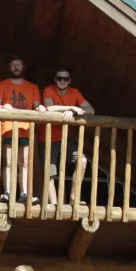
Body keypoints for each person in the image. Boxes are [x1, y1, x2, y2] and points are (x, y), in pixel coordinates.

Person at [0, 55, 44, 206]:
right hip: (7, 128)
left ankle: (24, 192)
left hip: (26, 128)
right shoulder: (2, 85)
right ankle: (7, 191)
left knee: (24, 162)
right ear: (9, 68)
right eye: (13, 64)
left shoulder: (32, 87)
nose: (16, 67)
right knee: (7, 161)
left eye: (18, 64)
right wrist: (3, 106)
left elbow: (36, 106)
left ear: (23, 67)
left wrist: (40, 107)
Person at [42, 69, 94, 207]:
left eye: (65, 79)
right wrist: (71, 107)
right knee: (50, 170)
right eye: (60, 78)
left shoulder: (74, 92)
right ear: (55, 79)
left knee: (82, 161)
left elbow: (91, 110)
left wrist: (72, 112)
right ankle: (54, 204)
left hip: (66, 136)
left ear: (69, 81)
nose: (62, 81)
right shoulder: (49, 90)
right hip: (48, 136)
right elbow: (49, 108)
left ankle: (73, 199)